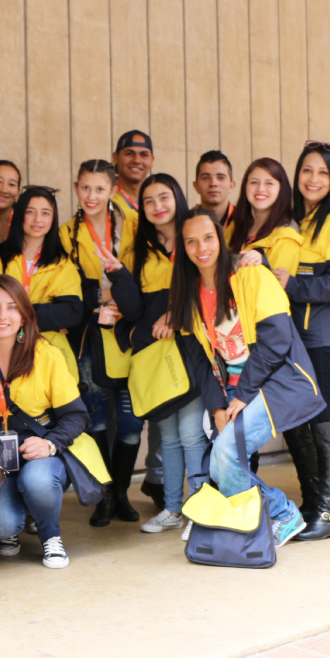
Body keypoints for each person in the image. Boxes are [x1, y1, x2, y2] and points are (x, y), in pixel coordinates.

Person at [169, 208, 324, 546]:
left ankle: (282, 514)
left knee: (225, 456)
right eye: (191, 241)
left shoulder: (249, 274)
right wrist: (217, 408)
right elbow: (199, 362)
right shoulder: (188, 293)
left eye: (208, 237)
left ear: (221, 238)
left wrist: (242, 396)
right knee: (221, 462)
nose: (201, 248)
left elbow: (277, 339)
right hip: (235, 387)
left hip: (277, 380)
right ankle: (258, 519)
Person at [0, 275, 90, 568]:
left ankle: (51, 535)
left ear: (25, 314)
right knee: (2, 525)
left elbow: (77, 415)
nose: (3, 316)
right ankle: (13, 524)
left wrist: (51, 443)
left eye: (12, 307)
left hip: (37, 447)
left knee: (37, 480)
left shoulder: (46, 355)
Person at [97, 173, 205, 533]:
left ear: (177, 197)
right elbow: (133, 308)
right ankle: (174, 510)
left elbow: (209, 285)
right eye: (149, 201)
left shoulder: (196, 238)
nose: (157, 206)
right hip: (153, 355)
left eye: (164, 197)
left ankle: (202, 510)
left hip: (190, 350)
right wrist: (118, 274)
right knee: (169, 437)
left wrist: (177, 312)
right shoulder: (136, 248)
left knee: (192, 434)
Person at [280, 141, 330, 540]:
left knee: (324, 420)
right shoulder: (303, 218)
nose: (313, 179)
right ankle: (312, 503)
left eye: (323, 173)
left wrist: (294, 286)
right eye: (307, 170)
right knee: (299, 420)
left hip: (327, 338)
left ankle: (329, 515)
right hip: (301, 337)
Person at [59, 160, 144, 527]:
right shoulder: (64, 233)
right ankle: (104, 496)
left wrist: (119, 290)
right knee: (94, 417)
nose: (91, 196)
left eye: (100, 189)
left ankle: (123, 492)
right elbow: (68, 286)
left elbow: (143, 275)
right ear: (76, 188)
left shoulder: (134, 225)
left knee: (130, 422)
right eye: (85, 188)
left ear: (113, 190)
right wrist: (97, 293)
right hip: (88, 336)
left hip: (128, 332)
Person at [0, 186, 84, 376]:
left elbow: (71, 312)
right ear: (19, 215)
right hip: (1, 347)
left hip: (48, 351)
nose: (38, 219)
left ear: (53, 218)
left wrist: (12, 313)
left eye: (45, 213)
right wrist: (45, 317)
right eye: (30, 212)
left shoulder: (63, 263)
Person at [228, 158, 302, 276]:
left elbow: (272, 286)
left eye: (269, 183)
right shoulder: (236, 224)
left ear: (282, 189)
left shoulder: (287, 235)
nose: (261, 188)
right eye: (254, 182)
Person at [111, 130, 155, 216]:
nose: (136, 160)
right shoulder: (104, 199)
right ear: (116, 158)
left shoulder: (160, 200)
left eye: (144, 155)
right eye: (129, 153)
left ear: (151, 160)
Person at [192, 150, 237, 229]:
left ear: (231, 186)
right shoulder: (188, 222)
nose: (213, 183)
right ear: (196, 186)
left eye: (220, 177)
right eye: (205, 178)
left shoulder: (245, 221)